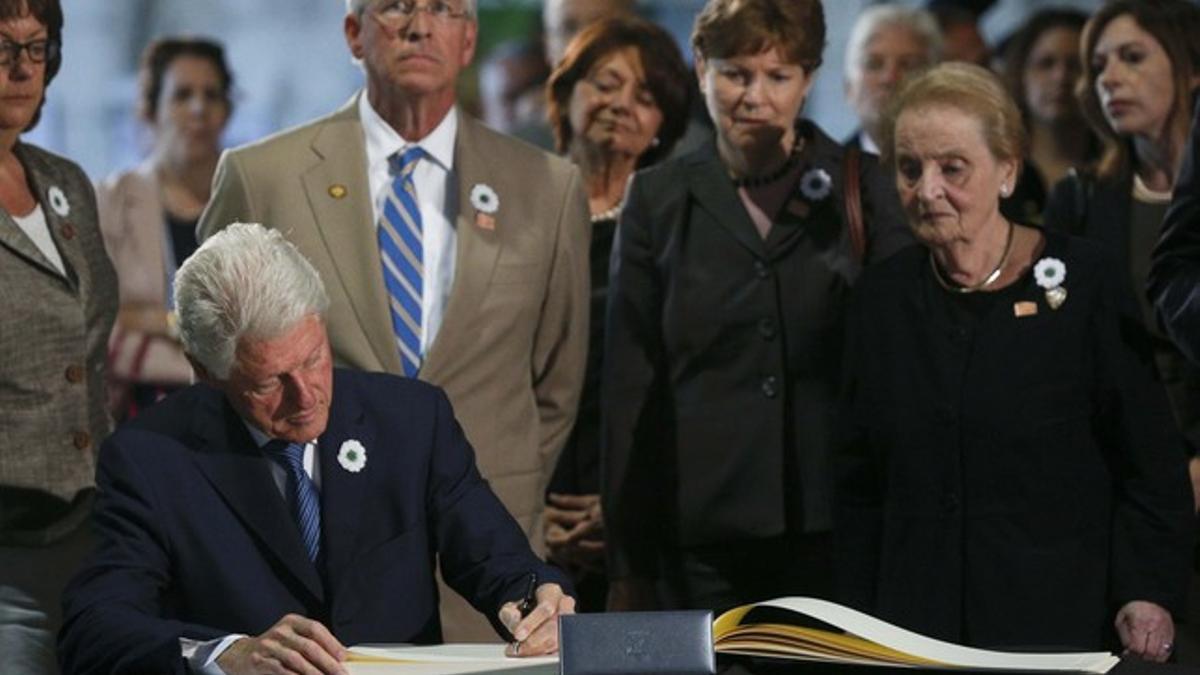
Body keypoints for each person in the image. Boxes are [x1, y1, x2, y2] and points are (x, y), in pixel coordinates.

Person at [197, 0, 590, 641]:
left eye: (442, 8)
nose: (418, 24)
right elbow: (217, 368)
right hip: (316, 573)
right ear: (353, 33)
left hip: (503, 571)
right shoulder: (261, 177)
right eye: (396, 7)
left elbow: (557, 383)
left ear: (468, 39)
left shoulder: (548, 187)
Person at [58, 223, 574, 675]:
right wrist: (225, 655)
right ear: (205, 372)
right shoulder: (151, 458)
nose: (306, 398)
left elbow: (497, 558)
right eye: (267, 383)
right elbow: (94, 630)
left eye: (313, 359)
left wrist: (535, 601)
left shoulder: (412, 420)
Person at [836, 62, 1192, 659]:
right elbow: (858, 486)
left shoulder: (1086, 281)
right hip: (915, 631)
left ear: (1007, 170)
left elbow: (1149, 464)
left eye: (952, 168)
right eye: (909, 168)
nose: (926, 190)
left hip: (1060, 626)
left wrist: (1145, 591)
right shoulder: (880, 301)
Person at [603, 0, 912, 614]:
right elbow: (630, 386)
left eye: (778, 76)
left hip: (839, 522)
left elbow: (903, 363)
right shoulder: (658, 198)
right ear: (701, 69)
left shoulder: (867, 185)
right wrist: (629, 561)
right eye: (736, 73)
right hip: (700, 533)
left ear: (809, 79)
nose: (755, 96)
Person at [542, 15, 691, 612]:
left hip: (644, 516)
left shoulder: (680, 228)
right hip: (526, 504)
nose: (621, 104)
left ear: (664, 126)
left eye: (646, 96)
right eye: (605, 82)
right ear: (567, 90)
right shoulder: (514, 215)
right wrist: (525, 507)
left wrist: (627, 509)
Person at [0, 0, 119, 672]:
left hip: (88, 526)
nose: (21, 68)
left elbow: (89, 354)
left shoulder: (65, 181)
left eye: (36, 47)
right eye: (1, 47)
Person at [1045, 0, 1200, 499]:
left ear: (1191, 69)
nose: (1109, 78)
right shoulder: (1080, 198)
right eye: (1099, 66)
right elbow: (1060, 351)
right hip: (1124, 479)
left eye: (1132, 57)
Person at [97, 36, 234, 420]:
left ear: (227, 110)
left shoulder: (248, 200)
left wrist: (145, 320)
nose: (198, 108)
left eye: (212, 95)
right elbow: (97, 327)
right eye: (181, 95)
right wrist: (177, 327)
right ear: (150, 110)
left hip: (233, 419)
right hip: (133, 413)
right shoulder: (112, 201)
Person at [999, 9, 1095, 225]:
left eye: (1075, 65)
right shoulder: (995, 170)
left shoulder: (1117, 171)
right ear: (1021, 75)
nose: (1060, 77)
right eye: (1046, 63)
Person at [843, 4, 942, 155]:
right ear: (848, 87)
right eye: (874, 64)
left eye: (908, 65)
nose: (889, 78)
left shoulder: (969, 171)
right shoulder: (820, 175)